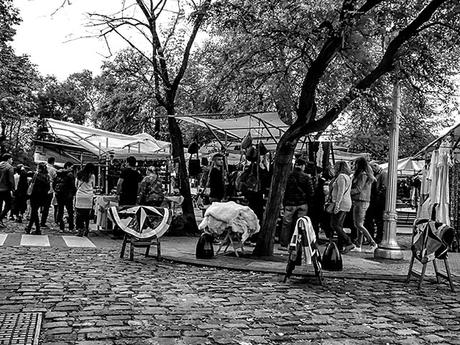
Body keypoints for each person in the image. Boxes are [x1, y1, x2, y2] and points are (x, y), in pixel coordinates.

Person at [279, 158, 314, 250]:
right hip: (302, 203)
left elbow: (283, 190)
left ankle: (283, 244)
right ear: (303, 166)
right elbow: (311, 192)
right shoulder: (307, 177)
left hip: (289, 203)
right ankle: (298, 244)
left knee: (286, 224)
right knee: (300, 224)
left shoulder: (287, 175)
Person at [350, 156, 378, 252]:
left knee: (359, 224)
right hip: (362, 200)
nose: (354, 165)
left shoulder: (362, 175)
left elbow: (358, 189)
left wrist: (347, 191)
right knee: (358, 224)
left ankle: (372, 243)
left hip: (360, 200)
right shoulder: (366, 174)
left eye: (355, 164)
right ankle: (359, 244)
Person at [328, 161, 355, 253]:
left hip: (341, 203)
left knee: (335, 225)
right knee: (339, 225)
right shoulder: (347, 177)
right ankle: (340, 246)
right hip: (346, 202)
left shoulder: (341, 177)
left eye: (335, 167)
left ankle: (348, 242)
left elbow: (340, 191)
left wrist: (337, 205)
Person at [364, 161, 387, 244]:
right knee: (368, 220)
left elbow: (384, 187)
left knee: (378, 221)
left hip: (378, 202)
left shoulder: (383, 174)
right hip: (373, 200)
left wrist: (377, 195)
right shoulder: (375, 174)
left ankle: (378, 237)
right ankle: (371, 237)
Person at [25, 163, 50, 235]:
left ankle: (34, 228)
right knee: (34, 212)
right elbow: (48, 188)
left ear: (40, 168)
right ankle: (32, 228)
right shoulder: (47, 176)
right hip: (43, 196)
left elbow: (32, 185)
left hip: (35, 195)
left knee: (34, 212)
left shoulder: (36, 175)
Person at [54, 162, 77, 232]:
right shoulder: (70, 175)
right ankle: (71, 227)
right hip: (68, 196)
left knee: (60, 211)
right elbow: (73, 186)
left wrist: (56, 192)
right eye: (71, 167)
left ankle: (61, 227)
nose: (72, 169)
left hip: (59, 195)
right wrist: (73, 193)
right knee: (70, 212)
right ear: (67, 166)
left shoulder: (58, 174)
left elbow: (54, 184)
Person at [75, 163, 96, 237]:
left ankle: (80, 229)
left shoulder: (79, 174)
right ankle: (86, 228)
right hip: (88, 196)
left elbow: (76, 185)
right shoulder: (92, 176)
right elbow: (93, 185)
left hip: (80, 195)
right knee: (87, 214)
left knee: (79, 214)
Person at [41, 156, 57, 228]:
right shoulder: (53, 170)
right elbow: (55, 179)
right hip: (49, 190)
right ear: (53, 162)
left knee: (38, 206)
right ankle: (43, 222)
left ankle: (36, 221)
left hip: (41, 189)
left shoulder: (43, 167)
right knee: (46, 206)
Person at [0, 153, 15, 228]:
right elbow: (11, 180)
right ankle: (0, 219)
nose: (12, 160)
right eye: (11, 159)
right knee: (9, 204)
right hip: (5, 189)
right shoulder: (10, 167)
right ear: (8, 159)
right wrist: (12, 189)